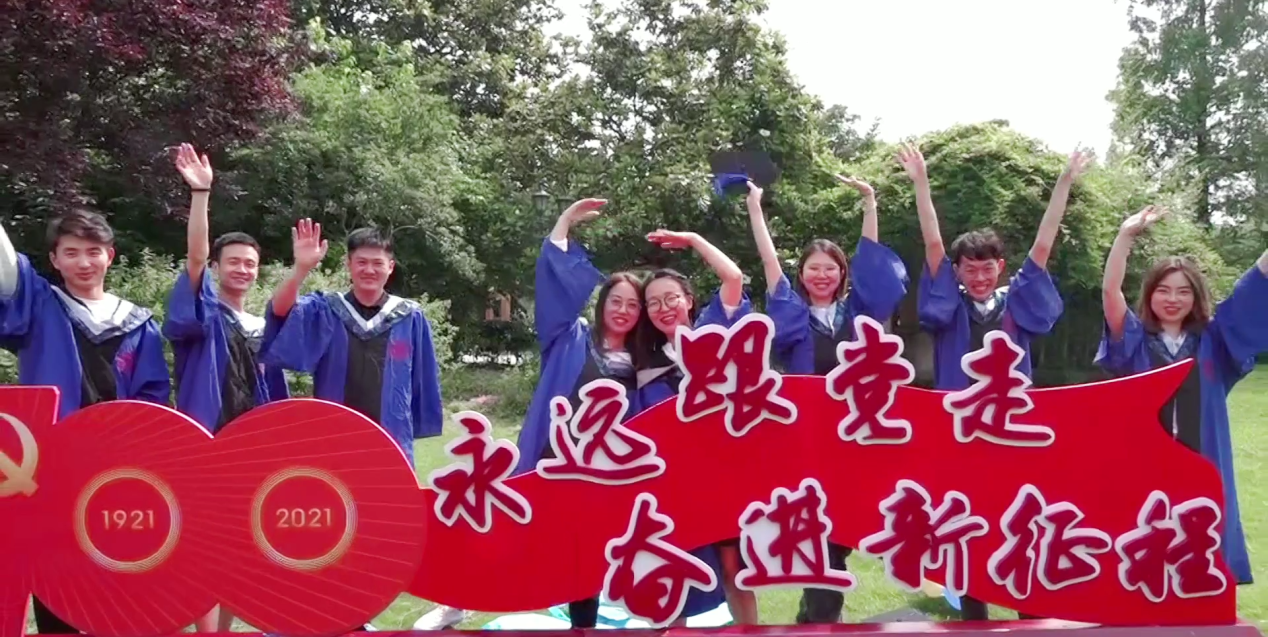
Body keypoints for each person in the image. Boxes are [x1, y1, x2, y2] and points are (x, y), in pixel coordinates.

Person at [902, 143, 1088, 620]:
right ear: (958, 273)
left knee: (1022, 516)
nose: (980, 276)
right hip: (961, 433)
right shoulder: (951, 307)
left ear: (1000, 267)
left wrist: (1065, 181)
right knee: (966, 520)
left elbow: (1043, 245)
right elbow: (934, 245)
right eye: (970, 269)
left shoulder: (1015, 304)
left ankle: (1030, 615)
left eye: (988, 267)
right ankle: (973, 617)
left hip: (1012, 433)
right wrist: (921, 183)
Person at [262, 220, 462, 629]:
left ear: (391, 267)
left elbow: (422, 378)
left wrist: (419, 424)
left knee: (385, 532)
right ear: (349, 265)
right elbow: (280, 314)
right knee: (335, 527)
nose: (369, 269)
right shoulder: (327, 309)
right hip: (334, 443)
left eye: (377, 262)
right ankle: (340, 613)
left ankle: (366, 611)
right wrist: (300, 270)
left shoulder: (409, 316)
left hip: (390, 443)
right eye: (361, 262)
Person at [745, 177, 908, 623]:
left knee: (846, 527)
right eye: (813, 268)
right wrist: (756, 207)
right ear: (802, 274)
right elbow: (768, 259)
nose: (822, 275)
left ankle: (815, 610)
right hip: (808, 439)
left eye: (830, 268)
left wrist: (870, 203)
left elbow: (872, 262)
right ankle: (819, 615)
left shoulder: (858, 314)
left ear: (842, 274)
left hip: (856, 437)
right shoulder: (792, 312)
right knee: (820, 529)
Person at [0, 210, 170, 635]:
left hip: (118, 465)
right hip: (51, 462)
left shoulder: (139, 323)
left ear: (110, 255)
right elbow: (6, 267)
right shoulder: (40, 305)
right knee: (54, 564)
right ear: (54, 260)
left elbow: (152, 396)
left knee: (118, 564)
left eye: (93, 251)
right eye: (71, 252)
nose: (83, 262)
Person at [1098, 205, 1268, 589]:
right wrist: (1124, 236)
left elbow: (1253, 286)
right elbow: (1110, 292)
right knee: (1146, 552)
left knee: (1200, 552)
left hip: (1202, 460)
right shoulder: (1136, 340)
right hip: (1146, 464)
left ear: (1195, 297)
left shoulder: (1214, 340)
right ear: (1150, 295)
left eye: (1183, 291)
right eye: (1163, 290)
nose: (1172, 299)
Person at [161, 143, 289, 632]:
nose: (242, 269)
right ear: (216, 268)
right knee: (202, 546)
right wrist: (201, 195)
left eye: (250, 263)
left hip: (252, 449)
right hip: (206, 442)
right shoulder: (204, 314)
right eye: (232, 261)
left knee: (243, 547)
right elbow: (194, 258)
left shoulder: (263, 327)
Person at [510, 197, 643, 628]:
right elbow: (555, 291)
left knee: (596, 553)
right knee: (556, 550)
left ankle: (586, 622)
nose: (623, 311)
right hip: (557, 463)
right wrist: (565, 222)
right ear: (602, 304)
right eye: (616, 301)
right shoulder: (570, 338)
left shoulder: (645, 361)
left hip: (609, 474)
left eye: (633, 305)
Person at [631, 228, 756, 626]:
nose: (664, 308)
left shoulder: (712, 334)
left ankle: (750, 633)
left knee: (734, 568)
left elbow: (732, 277)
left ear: (688, 300)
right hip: (673, 486)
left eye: (671, 298)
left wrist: (693, 240)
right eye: (653, 303)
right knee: (674, 572)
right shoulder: (646, 364)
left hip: (724, 476)